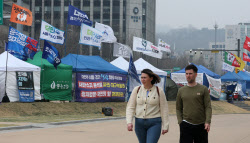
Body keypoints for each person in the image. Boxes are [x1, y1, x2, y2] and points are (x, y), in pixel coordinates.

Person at [126, 69, 169, 143]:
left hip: (154, 123)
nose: (143, 79)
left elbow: (164, 109)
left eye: (145, 77)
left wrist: (166, 125)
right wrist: (129, 122)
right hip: (139, 123)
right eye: (141, 77)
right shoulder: (136, 90)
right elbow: (130, 107)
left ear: (151, 78)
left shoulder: (159, 91)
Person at [176, 64, 212, 143]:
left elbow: (208, 107)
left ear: (195, 75)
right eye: (186, 74)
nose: (188, 76)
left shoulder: (203, 89)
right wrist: (180, 122)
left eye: (190, 73)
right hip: (186, 124)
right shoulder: (181, 90)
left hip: (201, 125)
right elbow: (178, 108)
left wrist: (207, 121)